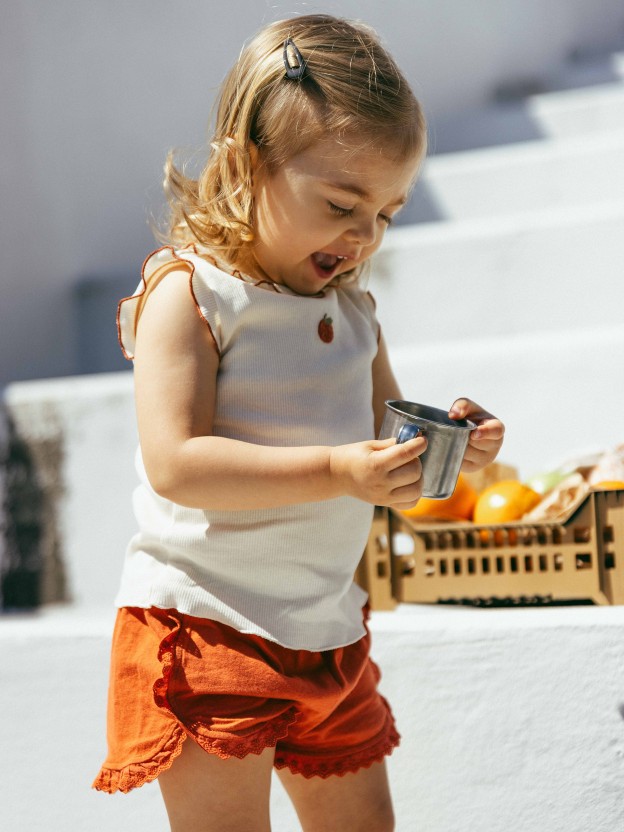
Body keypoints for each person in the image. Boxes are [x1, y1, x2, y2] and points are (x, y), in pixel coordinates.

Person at [93, 13, 504, 831]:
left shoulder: (357, 316)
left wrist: (456, 456)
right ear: (248, 167)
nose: (363, 236)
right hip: (208, 626)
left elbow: (384, 467)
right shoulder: (192, 295)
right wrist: (336, 471)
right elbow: (177, 462)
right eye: (342, 203)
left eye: (386, 214)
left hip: (328, 635)